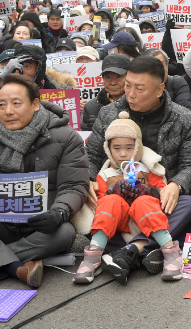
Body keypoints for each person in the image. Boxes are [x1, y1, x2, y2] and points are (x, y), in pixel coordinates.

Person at [0, 74, 89, 288]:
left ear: (34, 104)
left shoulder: (66, 137)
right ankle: (16, 267)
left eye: (16, 103)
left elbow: (74, 186)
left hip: (40, 224)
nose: (8, 111)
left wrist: (59, 212)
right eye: (2, 105)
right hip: (0, 222)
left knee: (65, 232)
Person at [86, 57, 191, 272]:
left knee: (189, 203)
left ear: (159, 90)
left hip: (156, 197)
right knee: (85, 202)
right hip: (113, 196)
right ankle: (152, 249)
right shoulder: (108, 113)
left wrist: (175, 185)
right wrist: (90, 179)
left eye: (140, 88)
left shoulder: (186, 119)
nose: (130, 93)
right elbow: (91, 156)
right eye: (127, 85)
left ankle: (131, 250)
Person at [74, 112, 183, 284]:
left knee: (144, 201)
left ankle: (170, 252)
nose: (123, 154)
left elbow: (163, 192)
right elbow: (100, 203)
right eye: (116, 148)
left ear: (138, 147)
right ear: (108, 149)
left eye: (129, 147)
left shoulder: (149, 169)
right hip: (121, 222)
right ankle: (93, 257)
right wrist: (114, 191)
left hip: (148, 216)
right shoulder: (104, 174)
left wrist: (146, 189)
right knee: (110, 201)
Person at [82, 54, 130, 131]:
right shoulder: (91, 108)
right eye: (108, 77)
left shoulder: (138, 103)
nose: (113, 82)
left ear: (129, 77)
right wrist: (93, 130)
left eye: (118, 77)